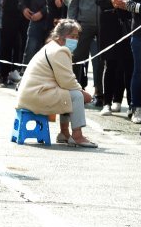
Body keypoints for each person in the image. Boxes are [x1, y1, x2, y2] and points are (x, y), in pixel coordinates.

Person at [17, 19, 97, 148]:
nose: (75, 40)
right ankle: (77, 136)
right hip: (36, 96)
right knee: (76, 96)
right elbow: (67, 81)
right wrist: (83, 93)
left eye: (77, 37)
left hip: (31, 95)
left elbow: (64, 82)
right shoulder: (59, 51)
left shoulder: (52, 46)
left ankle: (64, 133)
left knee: (67, 94)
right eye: (72, 36)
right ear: (60, 36)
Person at [94, 0, 133, 115]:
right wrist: (111, 0)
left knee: (127, 65)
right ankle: (107, 102)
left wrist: (126, 3)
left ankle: (122, 100)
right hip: (108, 27)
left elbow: (135, 0)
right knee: (110, 64)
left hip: (128, 27)